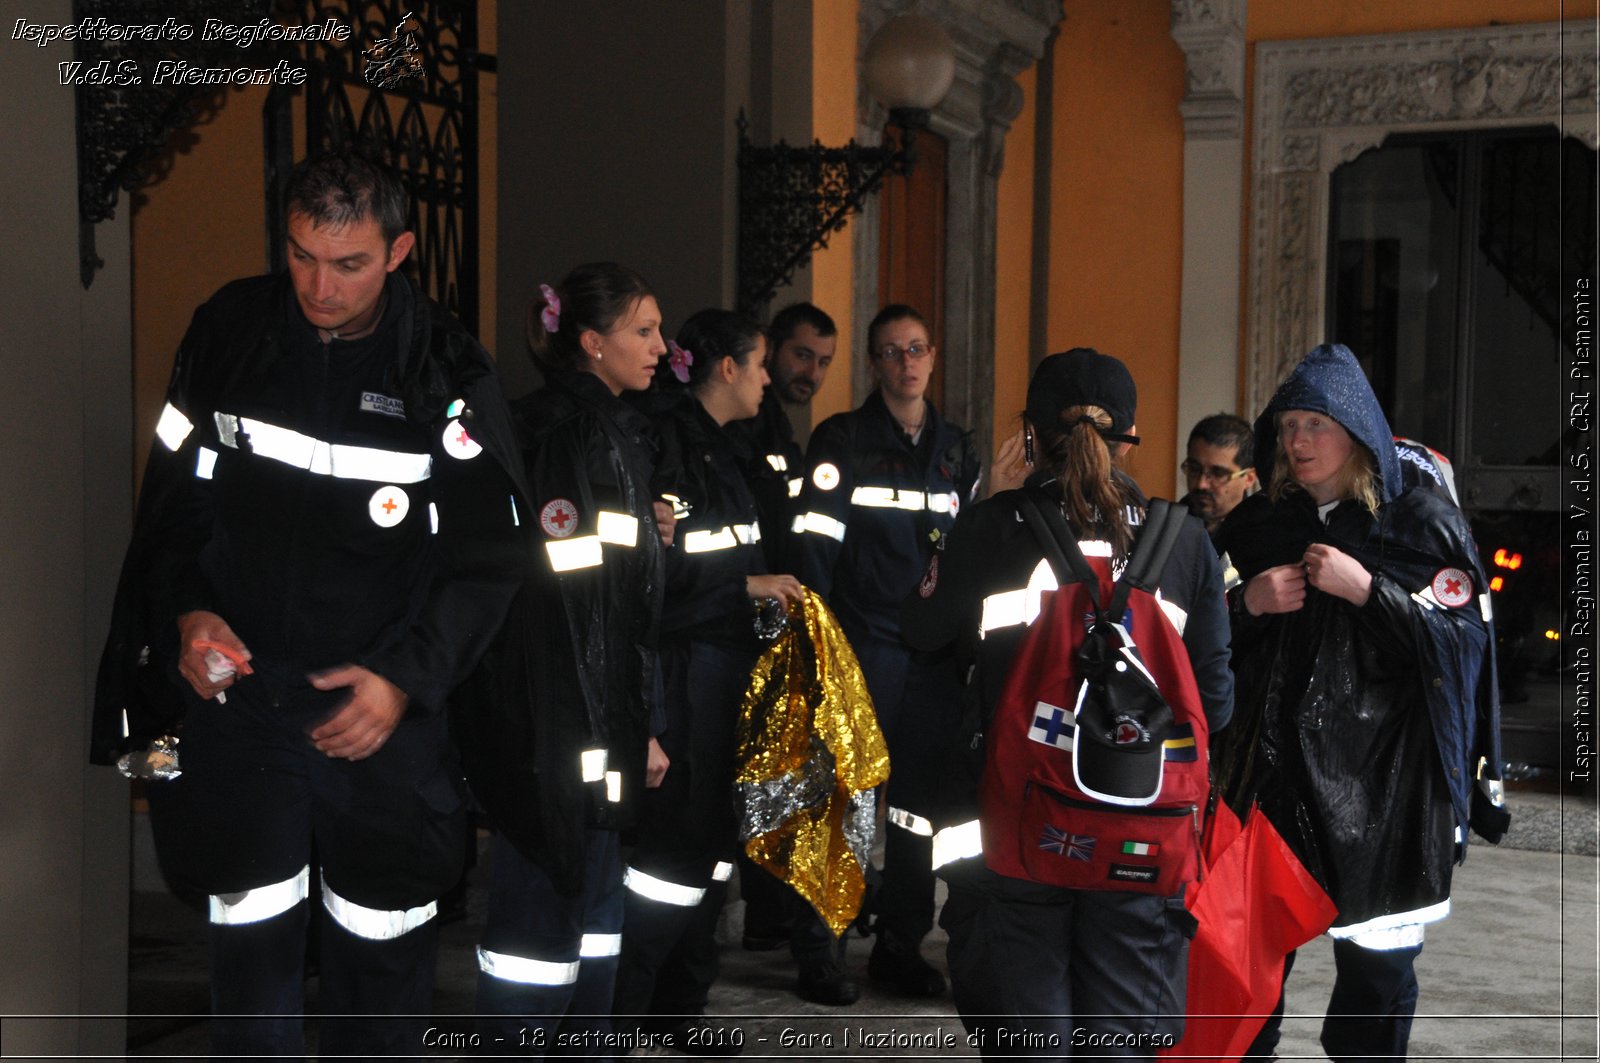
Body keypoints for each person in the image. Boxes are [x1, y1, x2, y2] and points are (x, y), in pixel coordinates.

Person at [90, 149, 527, 1057]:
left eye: (349, 263)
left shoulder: (445, 369)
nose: (319, 287)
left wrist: (404, 680)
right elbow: (175, 500)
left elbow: (489, 556)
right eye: (300, 256)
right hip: (243, 708)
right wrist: (189, 613)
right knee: (247, 957)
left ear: (401, 250)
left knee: (380, 959)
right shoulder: (230, 330)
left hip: (374, 718)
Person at [901, 348, 1234, 1058]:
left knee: (1026, 1036)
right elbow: (1216, 702)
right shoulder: (1186, 542)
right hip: (1143, 831)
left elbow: (922, 637)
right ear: (1130, 440)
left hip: (1018, 823)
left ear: (1030, 435)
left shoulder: (991, 528)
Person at [1213, 343, 1500, 1063]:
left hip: (1390, 796)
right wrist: (1246, 603)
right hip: (1274, 789)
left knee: (1374, 989)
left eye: (1316, 423)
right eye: (1288, 426)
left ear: (1358, 432)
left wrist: (1370, 591)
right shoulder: (1260, 525)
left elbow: (1464, 646)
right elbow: (1189, 626)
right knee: (1241, 976)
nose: (1299, 441)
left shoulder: (1421, 522)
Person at [455, 263, 671, 1053]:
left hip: (598, 723)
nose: (659, 345)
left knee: (596, 919)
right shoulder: (562, 434)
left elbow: (618, 595)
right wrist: (618, 727)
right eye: (643, 330)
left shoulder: (615, 432)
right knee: (538, 923)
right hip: (558, 729)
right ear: (590, 342)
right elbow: (567, 609)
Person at [611, 309, 805, 1046]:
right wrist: (747, 589)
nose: (767, 380)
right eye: (760, 365)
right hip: (687, 673)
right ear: (727, 367)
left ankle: (679, 1011)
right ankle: (622, 1016)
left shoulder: (727, 451)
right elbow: (657, 576)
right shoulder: (666, 446)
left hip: (728, 674)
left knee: (713, 852)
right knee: (671, 859)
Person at [790, 303, 981, 1001]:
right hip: (863, 647)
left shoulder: (959, 449)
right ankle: (820, 950)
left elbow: (967, 556)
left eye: (917, 347)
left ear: (933, 356)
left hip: (932, 662)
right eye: (892, 351)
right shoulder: (842, 441)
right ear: (874, 364)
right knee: (844, 804)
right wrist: (818, 651)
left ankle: (900, 945)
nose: (907, 362)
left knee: (914, 813)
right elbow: (813, 553)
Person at [725, 301, 838, 952]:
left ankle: (768, 912)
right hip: (732, 616)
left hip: (768, 616)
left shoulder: (778, 428)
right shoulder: (748, 427)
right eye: (801, 355)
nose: (810, 372)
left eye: (823, 362)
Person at [1180, 412, 1258, 539]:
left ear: (1249, 478)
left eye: (1218, 473)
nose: (1201, 484)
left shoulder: (1264, 536)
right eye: (1194, 469)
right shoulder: (1166, 527)